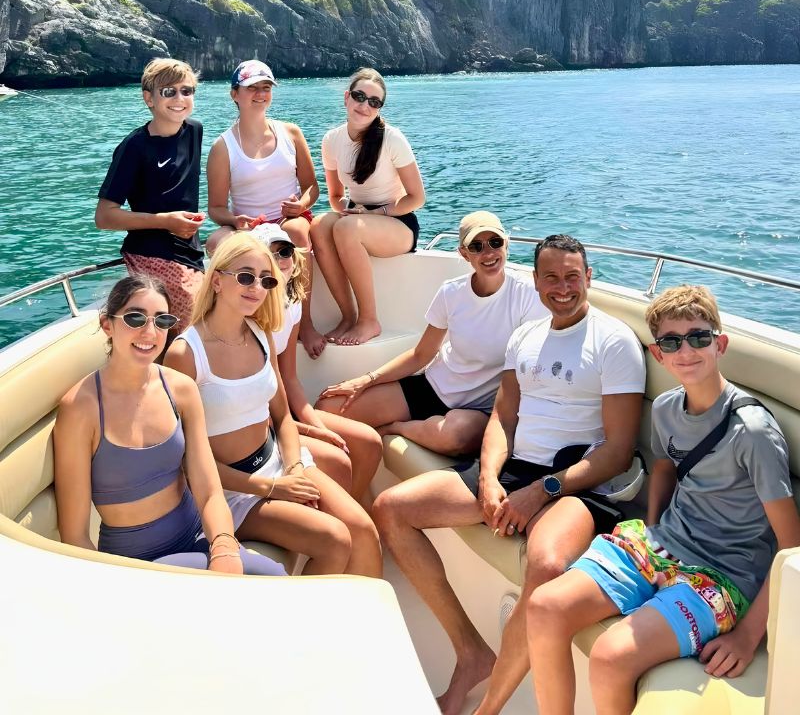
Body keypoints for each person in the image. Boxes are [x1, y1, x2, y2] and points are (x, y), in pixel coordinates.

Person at [372, 234, 646, 715]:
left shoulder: (614, 341)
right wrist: (490, 478)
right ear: (536, 280)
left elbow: (618, 453)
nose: (563, 288)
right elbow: (502, 418)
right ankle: (470, 653)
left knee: (545, 564)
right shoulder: (526, 336)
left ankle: (488, 708)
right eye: (552, 277)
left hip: (577, 483)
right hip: (516, 470)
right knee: (392, 509)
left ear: (589, 278)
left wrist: (542, 491)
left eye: (573, 276)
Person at [528, 284, 800, 715]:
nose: (686, 351)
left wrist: (749, 635)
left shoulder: (753, 431)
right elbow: (665, 470)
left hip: (722, 575)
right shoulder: (666, 409)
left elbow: (791, 545)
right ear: (658, 355)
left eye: (698, 337)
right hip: (662, 546)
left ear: (720, 343)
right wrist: (655, 533)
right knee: (544, 606)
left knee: (610, 655)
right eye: (672, 342)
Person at [165, 232, 382, 577]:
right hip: (232, 490)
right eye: (245, 276)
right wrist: (272, 488)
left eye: (265, 280)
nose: (256, 287)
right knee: (335, 538)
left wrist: (294, 467)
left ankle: (369, 626)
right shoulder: (186, 354)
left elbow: (280, 417)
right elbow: (186, 461)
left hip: (279, 461)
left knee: (363, 529)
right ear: (217, 281)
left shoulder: (260, 333)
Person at [54, 274, 283, 575]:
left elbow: (209, 489)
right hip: (135, 565)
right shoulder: (80, 408)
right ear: (107, 324)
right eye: (135, 318)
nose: (150, 332)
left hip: (198, 536)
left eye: (161, 321)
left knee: (275, 579)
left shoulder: (181, 389)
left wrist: (225, 546)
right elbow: (74, 536)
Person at [317, 212, 546, 458]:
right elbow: (421, 354)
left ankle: (396, 429)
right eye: (476, 246)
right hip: (435, 386)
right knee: (326, 409)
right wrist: (366, 380)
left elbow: (531, 370)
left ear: (506, 244)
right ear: (463, 253)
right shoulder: (452, 292)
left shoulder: (527, 295)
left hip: (480, 410)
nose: (488, 253)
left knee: (457, 434)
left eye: (495, 243)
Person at [205, 59, 323, 359]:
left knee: (296, 232)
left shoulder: (291, 133)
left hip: (288, 220)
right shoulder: (222, 147)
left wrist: (301, 205)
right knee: (215, 242)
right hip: (249, 226)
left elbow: (312, 188)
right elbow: (216, 208)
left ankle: (304, 322)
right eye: (251, 88)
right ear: (235, 94)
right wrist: (235, 220)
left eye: (266, 87)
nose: (260, 94)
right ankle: (227, 325)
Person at [263, 223, 383, 499]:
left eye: (285, 252)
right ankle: (346, 522)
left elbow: (289, 379)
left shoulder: (290, 306)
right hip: (262, 422)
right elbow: (265, 396)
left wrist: (315, 425)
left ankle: (352, 516)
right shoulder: (250, 315)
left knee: (370, 443)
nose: (279, 259)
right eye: (270, 254)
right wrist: (308, 430)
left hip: (283, 413)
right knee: (337, 457)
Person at [311, 67, 425, 346]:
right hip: (358, 215)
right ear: (346, 98)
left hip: (397, 222)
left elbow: (416, 198)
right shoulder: (332, 140)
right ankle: (348, 316)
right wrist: (345, 210)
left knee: (348, 229)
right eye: (360, 97)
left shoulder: (392, 139)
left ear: (380, 108)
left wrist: (375, 213)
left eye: (374, 102)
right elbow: (336, 195)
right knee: (319, 225)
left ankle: (369, 320)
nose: (365, 106)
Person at [95, 58, 206, 332]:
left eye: (187, 90)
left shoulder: (194, 130)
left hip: (191, 252)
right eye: (169, 91)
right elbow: (104, 217)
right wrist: (166, 221)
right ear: (149, 98)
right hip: (150, 253)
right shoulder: (133, 147)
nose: (179, 98)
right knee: (193, 319)